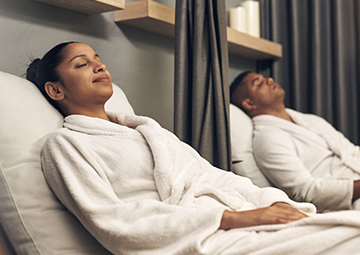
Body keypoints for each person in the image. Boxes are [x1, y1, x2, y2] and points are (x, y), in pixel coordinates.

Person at [26, 42, 360, 254]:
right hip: (198, 239)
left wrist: (272, 203)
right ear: (55, 90)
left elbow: (217, 177)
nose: (100, 65)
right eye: (81, 64)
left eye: (98, 58)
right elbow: (115, 223)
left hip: (237, 224)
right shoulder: (65, 145)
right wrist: (232, 219)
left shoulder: (150, 132)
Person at [230, 71, 360, 212]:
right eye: (259, 83)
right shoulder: (268, 139)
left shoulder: (311, 120)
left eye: (266, 78)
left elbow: (351, 151)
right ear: (249, 103)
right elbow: (306, 192)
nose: (270, 80)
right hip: (349, 199)